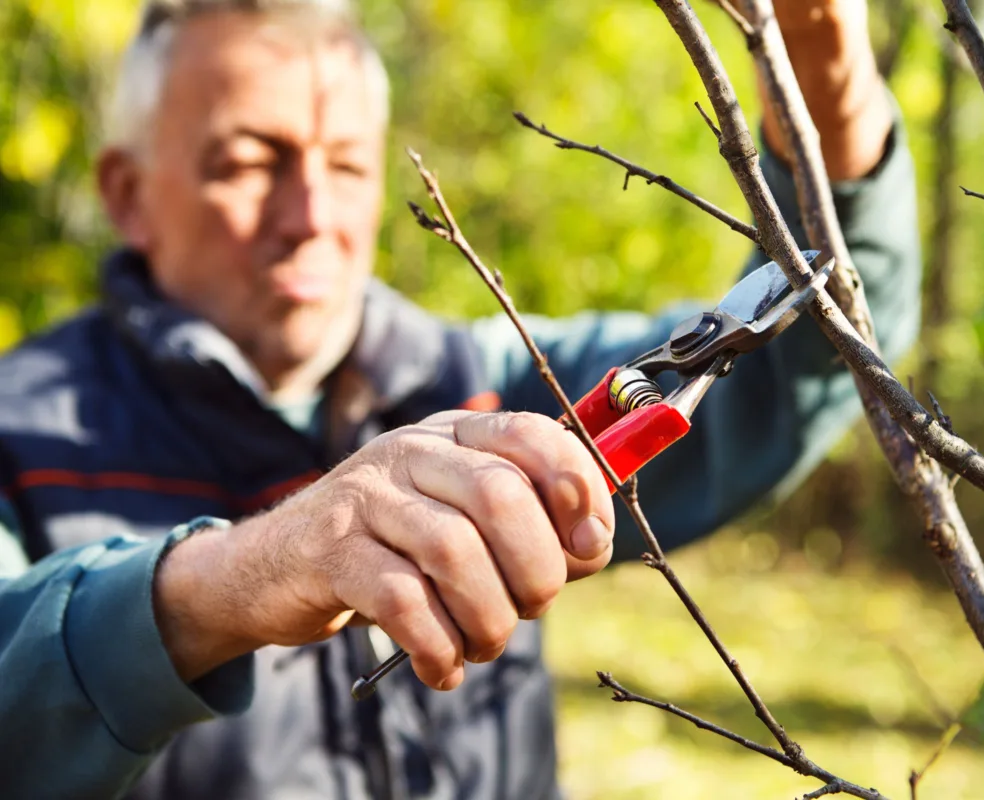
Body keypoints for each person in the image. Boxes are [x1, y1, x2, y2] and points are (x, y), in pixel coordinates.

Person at [0, 0, 919, 797]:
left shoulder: (485, 386)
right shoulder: (22, 433)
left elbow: (820, 351)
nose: (312, 215)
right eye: (250, 161)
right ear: (128, 193)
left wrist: (820, 59)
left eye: (348, 165)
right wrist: (233, 584)